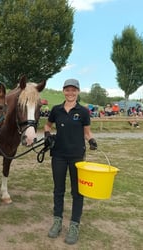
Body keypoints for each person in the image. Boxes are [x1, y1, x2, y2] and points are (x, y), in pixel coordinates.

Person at [44, 79, 97, 245]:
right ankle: (57, 221)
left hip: (77, 157)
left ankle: (74, 225)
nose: (70, 93)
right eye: (67, 90)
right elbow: (47, 126)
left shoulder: (83, 111)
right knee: (58, 190)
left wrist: (92, 140)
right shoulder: (56, 110)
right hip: (58, 155)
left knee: (77, 192)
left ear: (78, 92)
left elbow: (87, 132)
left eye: (73, 90)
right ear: (63, 91)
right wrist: (47, 136)